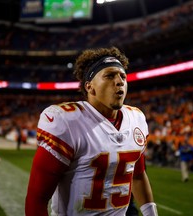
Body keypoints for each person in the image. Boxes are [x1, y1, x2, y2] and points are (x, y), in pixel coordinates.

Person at [26, 47, 158, 215]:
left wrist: (151, 213)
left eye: (123, 76)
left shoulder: (136, 119)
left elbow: (138, 175)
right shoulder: (67, 121)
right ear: (90, 87)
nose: (119, 81)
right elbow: (36, 199)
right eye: (109, 76)